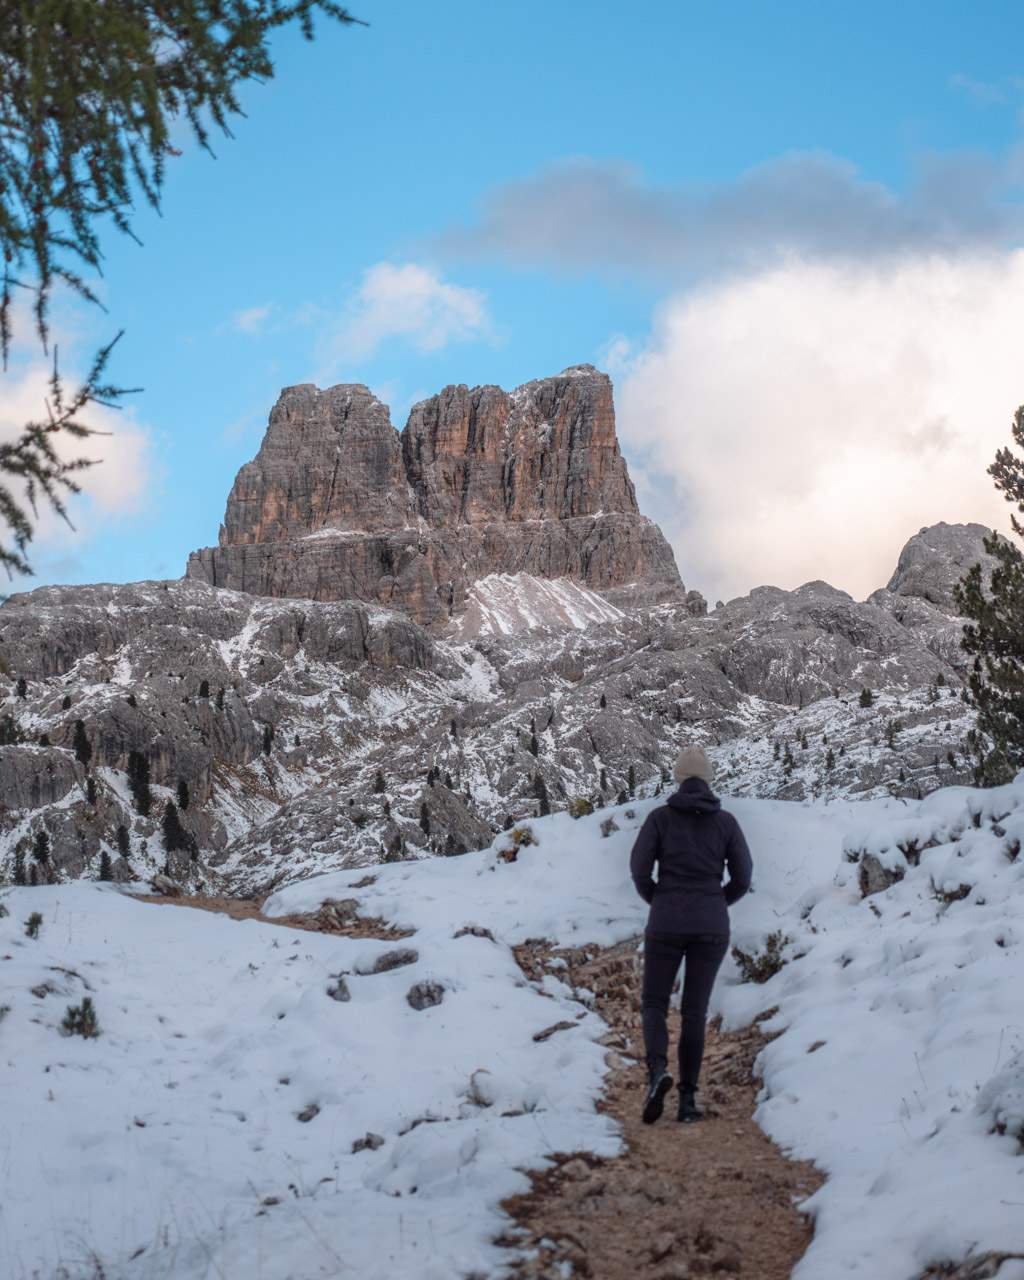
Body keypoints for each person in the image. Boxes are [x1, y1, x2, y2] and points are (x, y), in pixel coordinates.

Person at [629, 744, 752, 1125]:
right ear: (709, 780)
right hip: (711, 926)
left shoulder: (660, 819)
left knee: (654, 1003)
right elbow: (743, 877)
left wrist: (658, 899)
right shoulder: (727, 823)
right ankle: (687, 1101)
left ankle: (656, 1073)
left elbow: (638, 870)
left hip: (665, 920)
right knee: (694, 1012)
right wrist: (716, 902)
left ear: (678, 778)